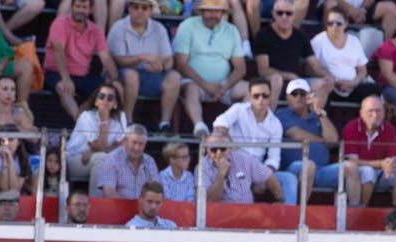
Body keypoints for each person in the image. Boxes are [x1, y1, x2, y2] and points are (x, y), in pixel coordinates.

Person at [212, 77, 294, 203]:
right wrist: (227, 140)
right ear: (250, 96)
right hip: (234, 162)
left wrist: (263, 177)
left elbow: (274, 158)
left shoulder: (275, 124)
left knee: (289, 178)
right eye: (256, 96)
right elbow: (220, 124)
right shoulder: (238, 109)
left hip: (257, 167)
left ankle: (289, 218)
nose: (261, 100)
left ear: (271, 96)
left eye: (265, 96)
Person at [174, 0, 248, 138]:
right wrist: (206, 86)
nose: (213, 15)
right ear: (201, 11)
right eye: (209, 11)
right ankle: (199, 126)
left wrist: (224, 86)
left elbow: (240, 68)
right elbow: (181, 64)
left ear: (223, 13)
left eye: (217, 11)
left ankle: (238, 131)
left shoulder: (231, 30)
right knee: (191, 90)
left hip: (223, 85)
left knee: (251, 90)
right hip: (195, 82)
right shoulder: (187, 26)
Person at [107, 0, 179, 129]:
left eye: (144, 8)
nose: (139, 11)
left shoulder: (159, 28)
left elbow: (169, 60)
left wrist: (161, 66)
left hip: (153, 75)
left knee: (174, 77)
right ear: (129, 9)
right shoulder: (119, 27)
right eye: (136, 7)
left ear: (151, 11)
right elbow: (118, 60)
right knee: (131, 75)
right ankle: (127, 120)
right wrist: (141, 57)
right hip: (124, 75)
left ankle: (165, 123)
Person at [45, 0, 117, 121]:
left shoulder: (96, 30)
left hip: (82, 75)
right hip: (56, 73)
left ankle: (111, 126)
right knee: (64, 88)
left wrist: (115, 79)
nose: (80, 10)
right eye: (77, 6)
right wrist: (66, 78)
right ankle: (81, 124)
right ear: (72, 7)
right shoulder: (60, 23)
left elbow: (105, 57)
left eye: (84, 7)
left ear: (90, 10)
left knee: (108, 89)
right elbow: (58, 50)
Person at [276, 77, 340, 202]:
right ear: (288, 97)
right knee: (308, 165)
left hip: (321, 169)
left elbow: (333, 140)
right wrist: (323, 141)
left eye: (302, 93)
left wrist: (319, 112)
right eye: (294, 94)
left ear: (309, 96)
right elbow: (297, 135)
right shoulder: (282, 113)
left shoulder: (318, 116)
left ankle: (353, 212)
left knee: (350, 168)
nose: (298, 97)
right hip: (293, 168)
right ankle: (301, 213)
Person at [340, 94, 396, 208]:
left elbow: (394, 156)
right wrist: (380, 164)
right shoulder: (351, 127)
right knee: (368, 172)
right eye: (370, 111)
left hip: (382, 171)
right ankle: (363, 208)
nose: (375, 115)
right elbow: (352, 161)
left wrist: (390, 164)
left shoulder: (389, 128)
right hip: (358, 171)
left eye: (379, 111)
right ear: (361, 113)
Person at [309, 6, 380, 112]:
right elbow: (310, 68)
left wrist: (354, 82)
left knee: (374, 90)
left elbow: (362, 70)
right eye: (330, 23)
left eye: (338, 23)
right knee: (322, 89)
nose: (334, 26)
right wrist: (336, 82)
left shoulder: (354, 41)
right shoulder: (318, 41)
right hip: (331, 86)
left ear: (346, 24)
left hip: (352, 86)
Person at [253, 0, 319, 111]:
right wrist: (289, 76)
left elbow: (314, 64)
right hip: (273, 82)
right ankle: (268, 119)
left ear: (294, 15)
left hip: (296, 82)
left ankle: (313, 120)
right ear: (273, 14)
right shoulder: (263, 35)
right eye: (280, 13)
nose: (284, 16)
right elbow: (263, 70)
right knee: (277, 79)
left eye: (288, 13)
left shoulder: (301, 36)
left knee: (322, 84)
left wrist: (331, 78)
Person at [64, 82, 127, 180]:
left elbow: (120, 146)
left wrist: (92, 151)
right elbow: (100, 146)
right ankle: (97, 196)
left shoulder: (121, 117)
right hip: (74, 159)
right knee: (101, 159)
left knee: (116, 159)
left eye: (110, 98)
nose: (105, 100)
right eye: (101, 96)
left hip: (94, 156)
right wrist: (104, 121)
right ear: (96, 101)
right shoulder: (86, 116)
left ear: (115, 103)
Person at [202, 130, 285, 204]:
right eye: (213, 149)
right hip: (221, 215)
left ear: (230, 148)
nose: (218, 153)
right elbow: (209, 201)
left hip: (247, 212)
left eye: (223, 148)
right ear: (207, 151)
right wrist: (221, 175)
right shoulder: (202, 167)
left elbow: (268, 175)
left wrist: (280, 201)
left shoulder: (243, 158)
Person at [93, 123, 158, 199]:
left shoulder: (149, 161)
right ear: (125, 141)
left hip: (143, 209)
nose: (137, 148)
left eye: (141, 144)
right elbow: (109, 193)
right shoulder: (111, 160)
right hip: (117, 208)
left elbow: (156, 190)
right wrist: (131, 206)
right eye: (134, 142)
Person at [0, 75, 35, 140]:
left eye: (12, 89)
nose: (9, 93)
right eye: (5, 89)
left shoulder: (18, 114)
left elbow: (34, 139)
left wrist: (16, 127)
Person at [0, 124, 31, 193]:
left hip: (15, 197)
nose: (7, 143)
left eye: (11, 139)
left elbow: (15, 188)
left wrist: (10, 160)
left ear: (19, 142)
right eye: (3, 140)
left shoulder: (23, 159)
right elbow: (3, 188)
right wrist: (4, 160)